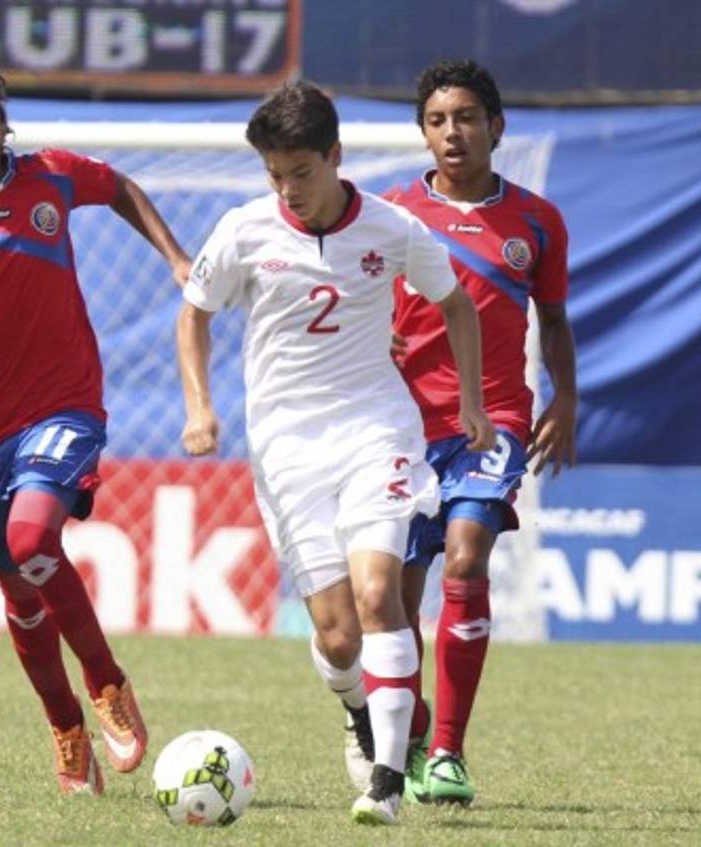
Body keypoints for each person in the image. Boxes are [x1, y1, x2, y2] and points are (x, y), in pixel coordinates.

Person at [177, 80, 495, 826]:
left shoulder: (392, 228)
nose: (288, 190)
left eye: (301, 172)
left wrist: (473, 403)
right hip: (286, 445)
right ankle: (358, 711)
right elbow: (193, 317)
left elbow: (454, 304)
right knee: (336, 632)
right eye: (275, 175)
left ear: (335, 156)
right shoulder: (244, 231)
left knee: (382, 594)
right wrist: (200, 406)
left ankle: (386, 779)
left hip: (375, 428)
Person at [0, 63, 191, 795]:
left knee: (30, 538)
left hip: (65, 404)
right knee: (18, 595)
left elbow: (118, 189)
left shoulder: (49, 177)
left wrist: (174, 256)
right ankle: (66, 725)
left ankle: (108, 681)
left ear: (3, 120)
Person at [387, 58, 578, 806]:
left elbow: (555, 321)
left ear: (496, 127)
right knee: (396, 604)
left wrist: (565, 397)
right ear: (424, 134)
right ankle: (410, 721)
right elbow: (355, 300)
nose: (453, 132)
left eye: (466, 117)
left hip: (491, 417)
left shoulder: (537, 221)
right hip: (401, 423)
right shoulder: (395, 214)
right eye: (437, 121)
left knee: (466, 561)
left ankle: (447, 753)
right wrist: (376, 339)